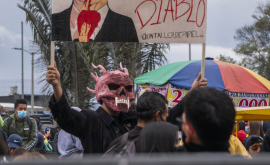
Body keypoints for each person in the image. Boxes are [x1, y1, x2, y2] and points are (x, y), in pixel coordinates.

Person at [47, 62, 207, 154]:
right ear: (101, 90)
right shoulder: (91, 120)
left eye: (128, 88)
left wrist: (192, 93)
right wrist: (57, 86)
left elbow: (166, 118)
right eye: (114, 86)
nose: (122, 92)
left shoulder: (133, 116)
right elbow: (66, 118)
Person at [104, 91, 169, 156]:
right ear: (157, 116)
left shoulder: (118, 141)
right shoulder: (154, 147)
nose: (167, 121)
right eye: (166, 116)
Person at [178, 87, 235, 152]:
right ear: (232, 129)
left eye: (181, 122)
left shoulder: (170, 160)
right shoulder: (244, 161)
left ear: (188, 131)